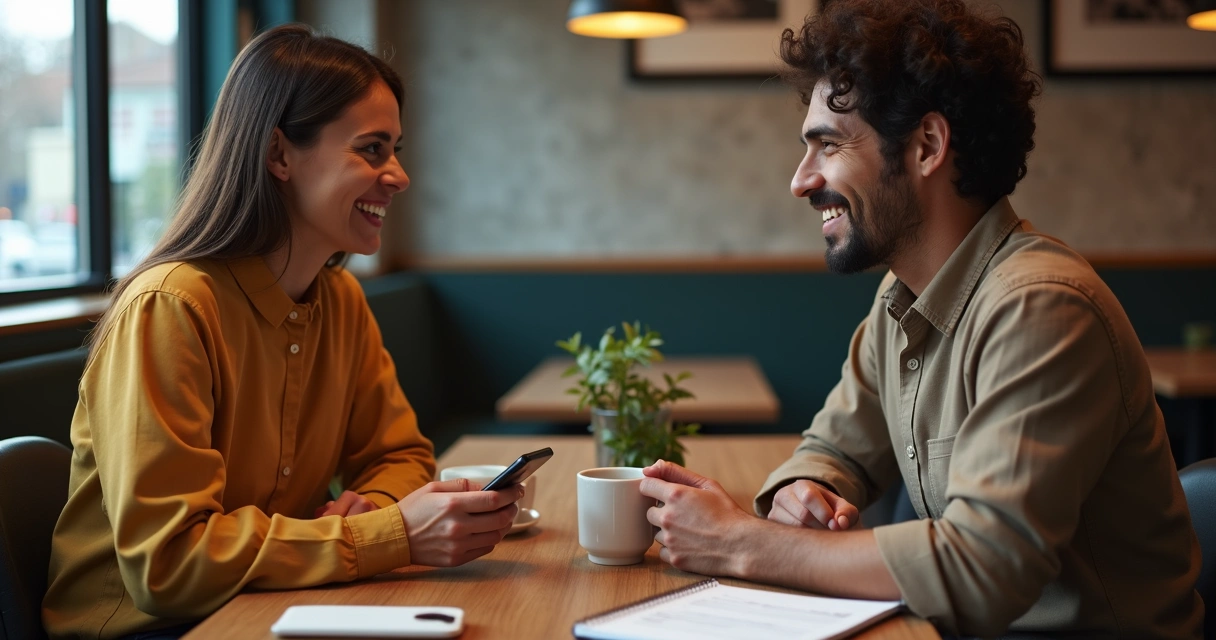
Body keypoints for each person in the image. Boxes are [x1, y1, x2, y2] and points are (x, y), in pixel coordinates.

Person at [638, 0, 1203, 637]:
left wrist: (743, 541)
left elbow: (984, 567)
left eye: (829, 144)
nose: (801, 180)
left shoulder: (1043, 308)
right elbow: (832, 448)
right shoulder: (900, 299)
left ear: (927, 146)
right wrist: (804, 490)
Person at [42, 25, 523, 640]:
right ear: (279, 154)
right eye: (372, 149)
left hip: (276, 605)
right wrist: (386, 534)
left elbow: (399, 455)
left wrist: (374, 505)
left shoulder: (341, 299)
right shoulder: (170, 308)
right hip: (155, 627)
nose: (399, 175)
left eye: (396, 149)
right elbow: (167, 565)